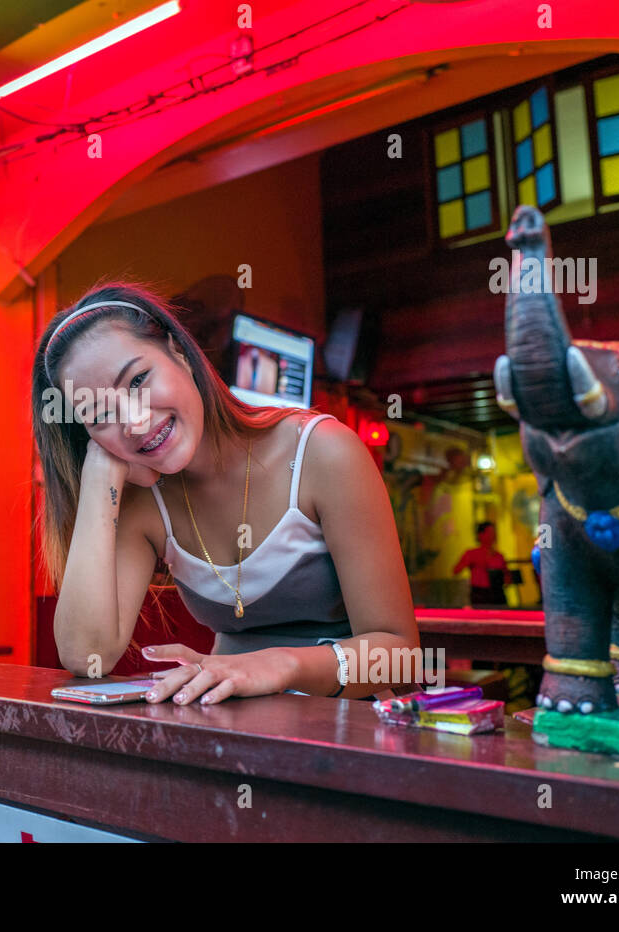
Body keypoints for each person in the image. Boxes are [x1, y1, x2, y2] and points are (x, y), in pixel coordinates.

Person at [34, 284, 419, 705]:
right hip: (239, 732)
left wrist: (276, 665)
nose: (135, 421)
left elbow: (401, 657)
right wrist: (97, 475)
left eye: (139, 380)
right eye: (99, 415)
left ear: (178, 350)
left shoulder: (321, 451)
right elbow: (85, 656)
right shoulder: (143, 501)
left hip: (358, 731)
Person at [453, 522, 508, 607]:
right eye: (489, 533)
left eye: (493, 533)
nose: (492, 536)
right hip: (479, 595)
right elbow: (456, 570)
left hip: (497, 594)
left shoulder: (499, 556)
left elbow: (506, 576)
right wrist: (469, 562)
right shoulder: (472, 554)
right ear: (480, 535)